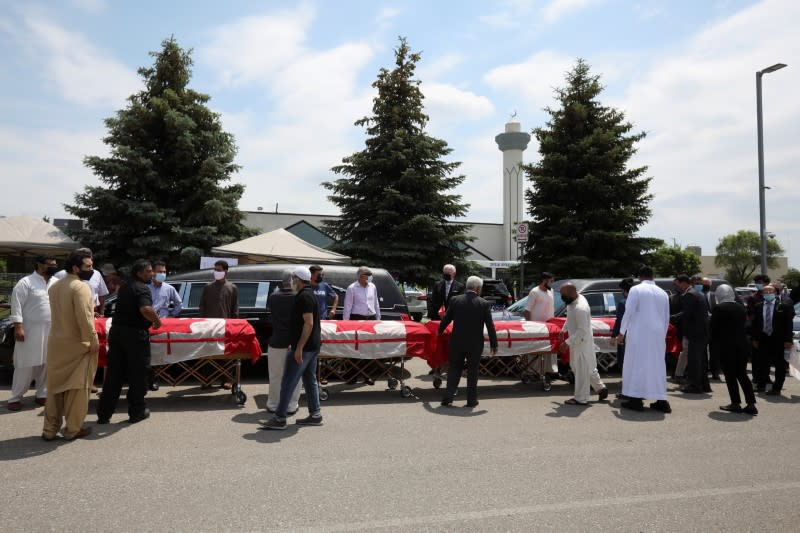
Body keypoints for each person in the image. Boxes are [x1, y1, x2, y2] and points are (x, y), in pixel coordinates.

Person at [42, 249, 99, 441]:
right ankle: (73, 429)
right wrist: (92, 340)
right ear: (76, 268)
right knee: (78, 390)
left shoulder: (54, 287)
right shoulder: (80, 287)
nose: (91, 269)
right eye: (88, 266)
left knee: (55, 390)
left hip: (56, 344)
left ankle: (49, 430)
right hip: (78, 344)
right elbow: (85, 318)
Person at [97, 260, 161, 424]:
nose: (152, 274)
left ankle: (104, 414)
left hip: (118, 334)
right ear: (139, 273)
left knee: (114, 375)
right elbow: (145, 309)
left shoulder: (125, 285)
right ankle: (137, 412)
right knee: (138, 375)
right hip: (135, 336)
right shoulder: (141, 288)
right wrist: (156, 321)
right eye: (148, 271)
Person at [261, 266, 323, 430]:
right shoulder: (309, 294)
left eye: (294, 278)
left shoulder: (303, 297)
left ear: (297, 279)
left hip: (305, 347)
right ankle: (315, 414)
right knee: (310, 380)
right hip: (313, 345)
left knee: (288, 381)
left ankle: (280, 418)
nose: (292, 281)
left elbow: (308, 323)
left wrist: (299, 348)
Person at [6, 255, 58, 411]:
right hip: (29, 330)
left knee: (47, 363)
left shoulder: (56, 283)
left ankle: (42, 394)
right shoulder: (26, 282)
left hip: (52, 330)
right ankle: (15, 397)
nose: (54, 267)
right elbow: (16, 306)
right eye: (50, 264)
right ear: (40, 265)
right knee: (25, 364)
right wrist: (18, 327)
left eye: (55, 264)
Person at [617, 266, 671, 413]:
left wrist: (621, 332)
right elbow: (666, 318)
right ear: (653, 276)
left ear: (640, 277)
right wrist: (662, 335)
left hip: (639, 333)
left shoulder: (636, 290)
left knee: (636, 363)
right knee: (657, 365)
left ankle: (635, 399)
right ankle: (661, 400)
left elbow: (628, 312)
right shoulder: (663, 293)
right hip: (657, 334)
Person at [438, 276, 498, 408]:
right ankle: (471, 401)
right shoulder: (483, 303)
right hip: (475, 344)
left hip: (457, 342)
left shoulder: (455, 300)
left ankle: (448, 398)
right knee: (472, 372)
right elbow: (490, 325)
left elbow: (446, 319)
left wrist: (439, 331)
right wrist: (494, 344)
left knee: (454, 369)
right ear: (477, 288)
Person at [711, 284, 757, 415]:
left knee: (730, 376)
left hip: (726, 347)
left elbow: (714, 329)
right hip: (742, 345)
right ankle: (751, 404)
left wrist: (713, 346)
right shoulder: (741, 307)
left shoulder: (718, 308)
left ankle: (735, 403)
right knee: (742, 374)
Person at [558, 283, 607, 405]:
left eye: (563, 295)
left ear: (571, 293)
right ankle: (600, 388)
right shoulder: (572, 301)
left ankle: (581, 398)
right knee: (587, 367)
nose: (561, 297)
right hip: (578, 340)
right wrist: (563, 329)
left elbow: (582, 330)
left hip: (581, 342)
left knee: (580, 370)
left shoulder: (580, 307)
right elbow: (571, 318)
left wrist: (567, 343)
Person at [266, 268, 301, 415]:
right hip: (295, 343)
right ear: (293, 280)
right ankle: (291, 405)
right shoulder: (299, 297)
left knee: (275, 375)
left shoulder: (273, 297)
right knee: (294, 376)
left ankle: (273, 404)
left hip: (276, 340)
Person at [199, 260, 238, 389]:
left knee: (225, 354)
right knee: (207, 353)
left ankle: (226, 379)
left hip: (225, 326)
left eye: (219, 270)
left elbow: (235, 309)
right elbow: (202, 307)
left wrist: (234, 325)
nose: (216, 272)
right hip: (209, 327)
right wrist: (203, 324)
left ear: (226, 271)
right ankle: (207, 379)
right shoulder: (208, 287)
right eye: (215, 269)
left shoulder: (232, 288)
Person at [750, 284, 795, 396]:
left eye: (771, 292)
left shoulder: (783, 306)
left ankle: (777, 388)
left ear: (775, 293)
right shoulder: (758, 306)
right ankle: (761, 385)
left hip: (779, 340)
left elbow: (788, 324)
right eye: (766, 292)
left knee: (779, 365)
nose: (768, 294)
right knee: (762, 363)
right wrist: (755, 338)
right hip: (763, 338)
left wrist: (788, 340)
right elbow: (755, 324)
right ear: (762, 294)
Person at [147, 260, 182, 391]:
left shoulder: (169, 288)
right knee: (148, 353)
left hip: (163, 324)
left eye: (164, 272)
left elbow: (179, 304)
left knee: (160, 352)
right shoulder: (146, 288)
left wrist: (172, 315)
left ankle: (155, 379)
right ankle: (147, 379)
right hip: (147, 324)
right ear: (153, 273)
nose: (162, 274)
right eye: (159, 272)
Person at [674, 275, 711, 394]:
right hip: (701, 332)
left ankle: (694, 386)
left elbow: (686, 314)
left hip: (695, 333)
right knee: (700, 360)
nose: (677, 287)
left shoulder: (690, 294)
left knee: (694, 360)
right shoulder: (697, 293)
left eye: (678, 284)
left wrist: (669, 318)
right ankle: (704, 385)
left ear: (683, 283)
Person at [53, 247, 110, 316]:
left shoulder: (96, 274)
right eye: (88, 265)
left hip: (93, 312)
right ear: (75, 267)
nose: (91, 268)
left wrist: (101, 312)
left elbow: (102, 294)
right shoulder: (60, 275)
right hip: (68, 313)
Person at [610, 278, 634, 373]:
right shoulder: (639, 301)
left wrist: (613, 335)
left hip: (625, 335)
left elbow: (620, 321)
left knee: (623, 358)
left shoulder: (623, 303)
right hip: (638, 334)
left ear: (623, 290)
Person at [701, 277, 720, 381]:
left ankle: (715, 373)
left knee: (715, 352)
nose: (705, 285)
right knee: (702, 351)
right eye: (703, 284)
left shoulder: (715, 296)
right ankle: (703, 372)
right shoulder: (698, 295)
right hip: (702, 328)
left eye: (707, 284)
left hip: (714, 328)